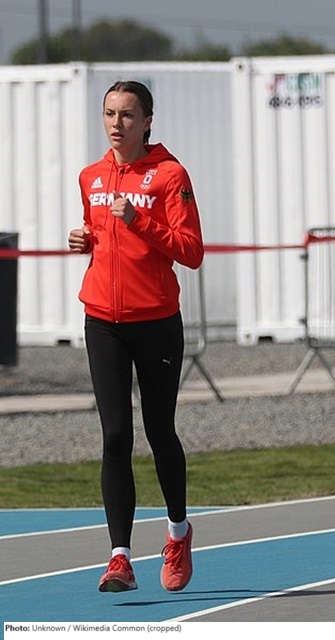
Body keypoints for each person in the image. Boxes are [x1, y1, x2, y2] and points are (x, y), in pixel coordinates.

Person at [68, 80, 204, 593]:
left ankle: (177, 532)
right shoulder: (90, 176)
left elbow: (191, 250)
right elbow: (105, 239)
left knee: (159, 432)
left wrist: (141, 220)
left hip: (156, 322)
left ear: (147, 121)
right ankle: (119, 558)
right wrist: (85, 240)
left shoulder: (170, 175)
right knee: (115, 437)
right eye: (109, 113)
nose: (116, 123)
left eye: (127, 115)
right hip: (103, 320)